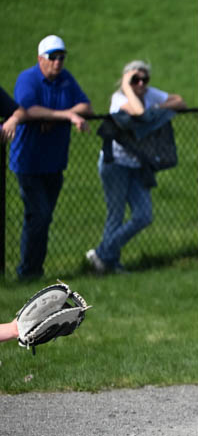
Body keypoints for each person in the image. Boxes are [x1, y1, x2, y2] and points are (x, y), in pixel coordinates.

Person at [84, 61, 185, 274]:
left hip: (138, 165)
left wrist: (157, 108)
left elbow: (180, 101)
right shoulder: (118, 99)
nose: (141, 84)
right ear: (126, 80)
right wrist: (126, 87)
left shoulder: (149, 94)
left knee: (143, 215)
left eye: (144, 79)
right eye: (135, 80)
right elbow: (138, 112)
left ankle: (102, 254)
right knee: (116, 214)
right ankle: (109, 264)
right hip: (115, 164)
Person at [10, 35, 91, 279]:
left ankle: (33, 270)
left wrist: (56, 116)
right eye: (52, 57)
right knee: (40, 215)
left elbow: (86, 106)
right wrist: (66, 115)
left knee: (42, 219)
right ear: (40, 59)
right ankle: (28, 271)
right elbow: (27, 109)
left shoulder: (66, 80)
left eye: (61, 57)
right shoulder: (28, 78)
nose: (58, 62)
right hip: (29, 162)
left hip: (54, 163)